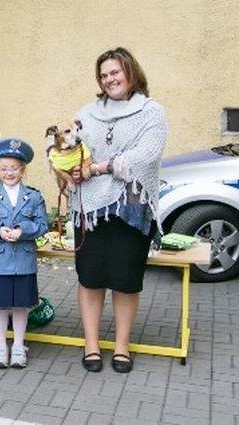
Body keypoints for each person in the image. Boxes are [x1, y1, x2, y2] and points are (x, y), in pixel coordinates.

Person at [70, 47, 167, 373]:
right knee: (91, 277)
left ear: (130, 71)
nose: (109, 79)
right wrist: (63, 165)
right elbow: (63, 145)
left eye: (115, 72)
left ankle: (122, 346)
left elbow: (146, 156)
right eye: (103, 74)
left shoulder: (152, 113)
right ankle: (92, 344)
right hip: (91, 209)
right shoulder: (87, 113)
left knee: (126, 280)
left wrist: (97, 167)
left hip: (131, 209)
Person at [0, 138, 49, 368]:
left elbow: (43, 223)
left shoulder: (33, 196)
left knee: (21, 305)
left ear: (23, 170)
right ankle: (1, 346)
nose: (9, 173)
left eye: (14, 168)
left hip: (23, 260)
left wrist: (24, 231)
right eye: (4, 168)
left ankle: (18, 346)